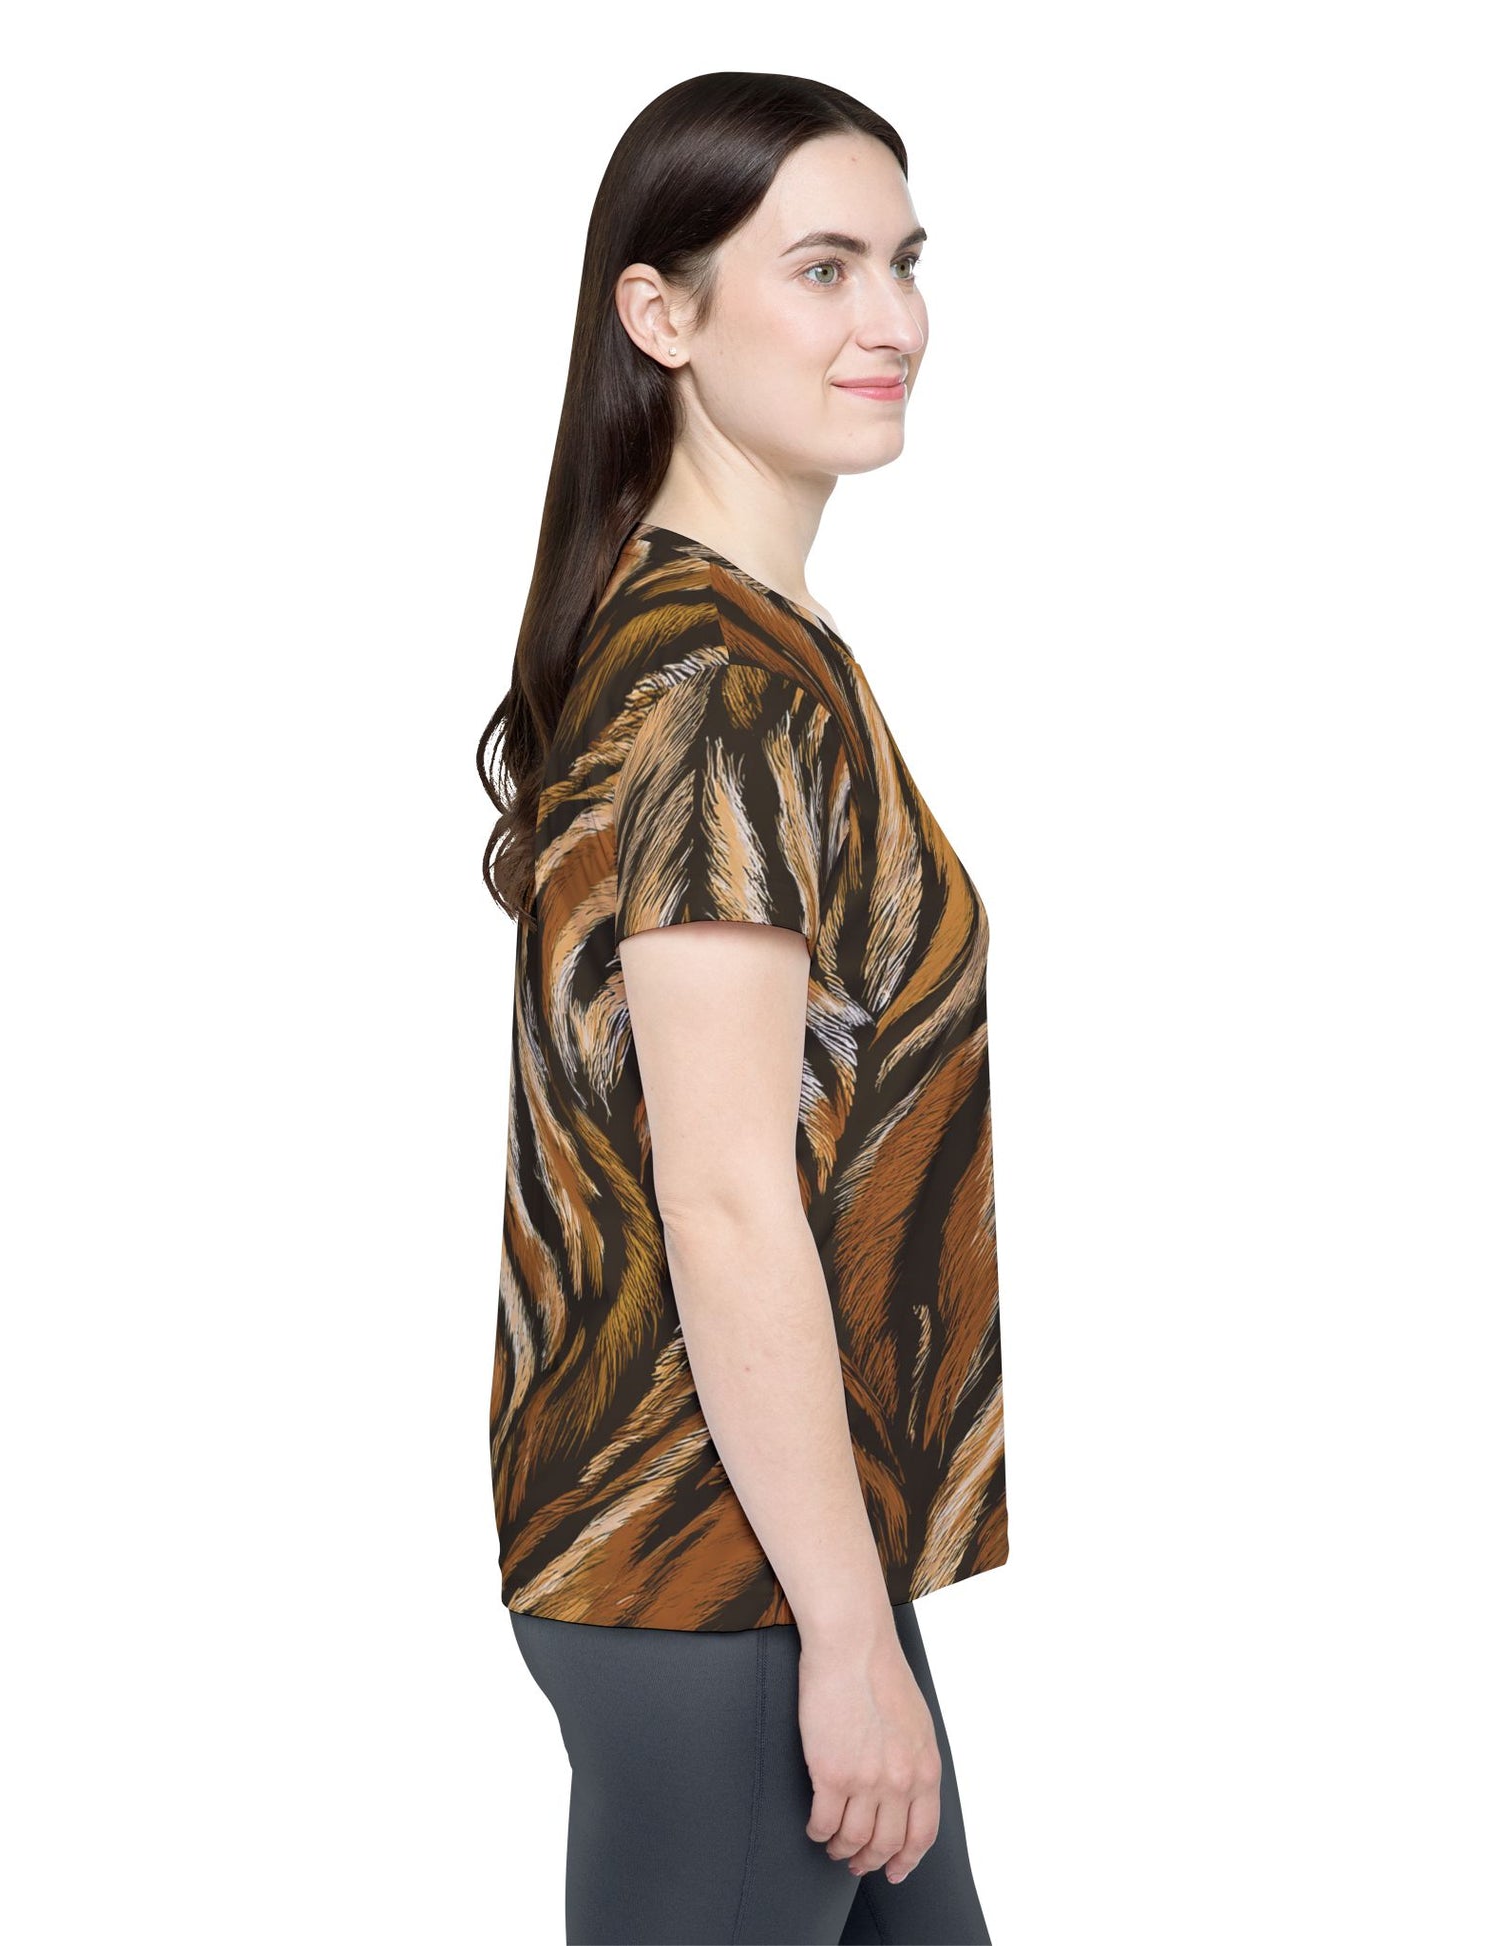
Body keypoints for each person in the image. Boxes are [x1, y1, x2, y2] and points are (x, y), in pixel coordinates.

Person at [478, 71, 1008, 1946]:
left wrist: (854, 1609)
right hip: (712, 1575)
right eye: (823, 267)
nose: (893, 320)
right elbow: (718, 1195)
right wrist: (845, 1638)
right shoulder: (716, 678)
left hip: (776, 1549)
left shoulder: (752, 647)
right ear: (662, 314)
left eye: (905, 262)